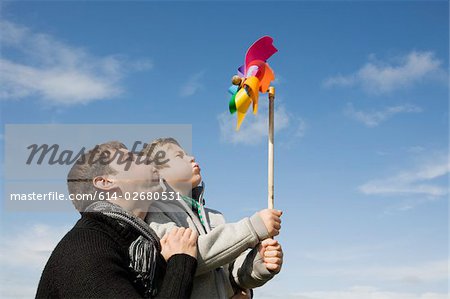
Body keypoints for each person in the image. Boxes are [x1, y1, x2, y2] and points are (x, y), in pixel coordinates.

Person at [36, 141, 198, 298]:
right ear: (105, 182)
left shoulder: (136, 247)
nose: (144, 159)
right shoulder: (85, 250)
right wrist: (180, 263)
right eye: (130, 159)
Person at [142, 138, 284, 298]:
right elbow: (182, 258)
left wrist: (259, 263)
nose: (191, 158)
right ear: (158, 174)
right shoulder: (155, 212)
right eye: (179, 156)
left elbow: (232, 274)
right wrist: (252, 227)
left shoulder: (215, 216)